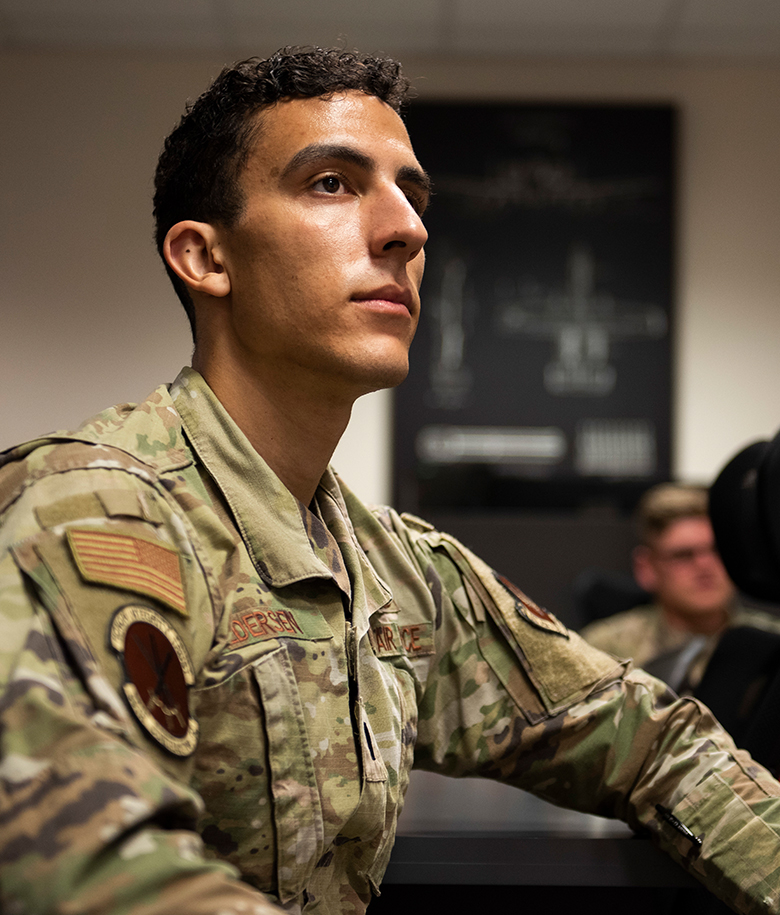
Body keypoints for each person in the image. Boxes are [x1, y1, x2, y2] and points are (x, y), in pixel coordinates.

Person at [1, 47, 780, 915]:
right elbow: (78, 866)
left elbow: (650, 740)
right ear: (205, 258)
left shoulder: (397, 570)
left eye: (412, 194)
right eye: (332, 183)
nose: (405, 228)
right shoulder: (93, 510)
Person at [581, 483, 780, 691]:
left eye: (717, 550)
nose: (705, 566)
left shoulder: (773, 644)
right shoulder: (603, 651)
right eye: (683, 555)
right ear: (647, 568)